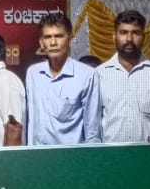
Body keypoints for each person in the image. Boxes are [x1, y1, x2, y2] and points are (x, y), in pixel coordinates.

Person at [96, 10, 150, 143]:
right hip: (110, 153)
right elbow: (92, 120)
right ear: (114, 36)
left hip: (149, 152)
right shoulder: (99, 74)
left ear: (144, 37)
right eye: (123, 32)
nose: (129, 39)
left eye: (136, 33)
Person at [25, 12, 102, 145]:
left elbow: (92, 134)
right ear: (41, 43)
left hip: (72, 157)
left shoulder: (87, 75)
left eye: (59, 36)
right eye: (48, 37)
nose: (53, 42)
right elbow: (31, 125)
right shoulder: (33, 74)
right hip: (37, 156)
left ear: (70, 40)